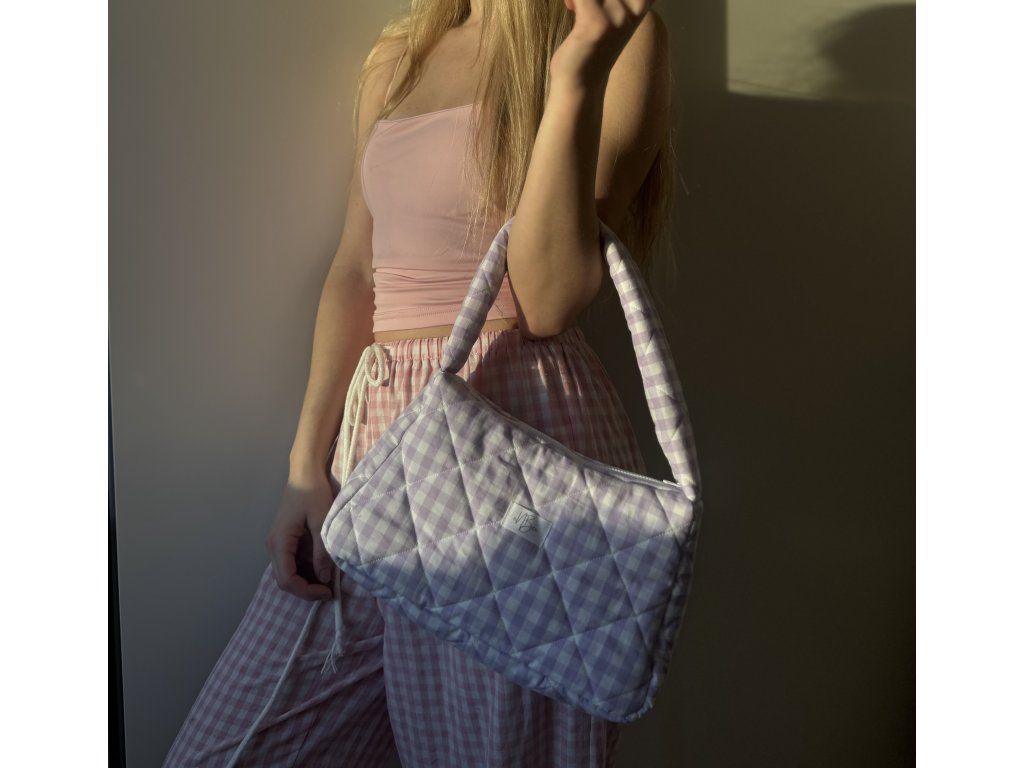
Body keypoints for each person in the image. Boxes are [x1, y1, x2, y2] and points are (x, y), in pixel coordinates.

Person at [164, 0, 672, 765]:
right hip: (371, 452)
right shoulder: (399, 55)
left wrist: (573, 78)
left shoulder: (615, 36)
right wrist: (306, 466)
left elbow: (549, 299)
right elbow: (355, 271)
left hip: (512, 443)